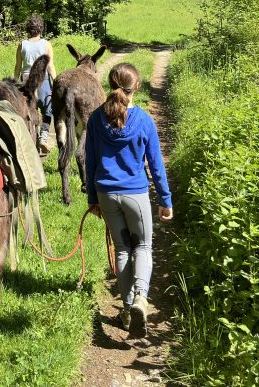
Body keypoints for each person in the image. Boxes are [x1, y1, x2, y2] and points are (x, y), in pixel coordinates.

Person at [84, 63, 173, 339]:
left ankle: (125, 308)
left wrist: (92, 198)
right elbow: (156, 165)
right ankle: (139, 299)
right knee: (143, 246)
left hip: (106, 193)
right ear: (137, 88)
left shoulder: (96, 119)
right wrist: (165, 199)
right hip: (135, 194)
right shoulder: (144, 121)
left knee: (122, 249)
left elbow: (90, 160)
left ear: (110, 85)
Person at [13, 14, 57, 155]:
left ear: (28, 29)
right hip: (42, 79)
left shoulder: (22, 44)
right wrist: (55, 82)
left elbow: (18, 66)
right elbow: (50, 66)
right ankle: (43, 137)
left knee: (29, 111)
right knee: (48, 108)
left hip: (25, 80)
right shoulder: (46, 44)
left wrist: (15, 82)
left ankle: (34, 139)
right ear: (41, 29)